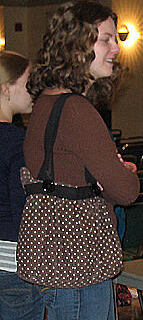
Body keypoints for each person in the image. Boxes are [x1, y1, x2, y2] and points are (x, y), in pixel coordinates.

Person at [19, 0, 139, 320]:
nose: (115, 49)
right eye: (105, 39)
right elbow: (126, 191)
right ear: (76, 45)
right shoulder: (76, 110)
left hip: (56, 260)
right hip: (79, 265)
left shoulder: (45, 103)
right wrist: (125, 171)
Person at [0, 51, 44, 320]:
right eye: (29, 82)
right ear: (6, 88)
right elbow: (25, 213)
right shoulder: (17, 142)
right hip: (13, 266)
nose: (34, 91)